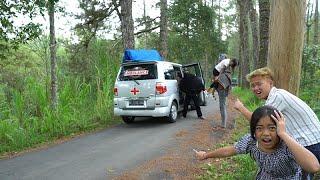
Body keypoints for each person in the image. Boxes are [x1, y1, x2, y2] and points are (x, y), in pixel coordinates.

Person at [233, 67, 320, 179]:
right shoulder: (277, 96)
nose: (255, 88)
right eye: (253, 85)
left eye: (259, 84)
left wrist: (241, 108)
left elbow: (259, 120)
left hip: (308, 144)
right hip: (310, 142)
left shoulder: (277, 96)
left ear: (270, 83)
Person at [194, 105, 320, 179]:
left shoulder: (287, 144)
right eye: (259, 128)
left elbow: (314, 166)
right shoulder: (251, 141)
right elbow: (230, 150)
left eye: (272, 128)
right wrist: (206, 155)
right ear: (254, 130)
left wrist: (283, 134)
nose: (266, 133)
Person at [207, 56, 239, 128]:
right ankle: (223, 123)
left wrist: (216, 80)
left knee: (222, 106)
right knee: (223, 106)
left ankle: (223, 124)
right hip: (222, 91)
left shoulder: (224, 74)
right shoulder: (227, 73)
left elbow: (220, 84)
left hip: (222, 92)